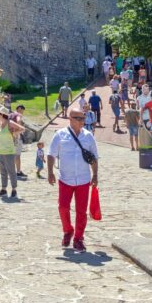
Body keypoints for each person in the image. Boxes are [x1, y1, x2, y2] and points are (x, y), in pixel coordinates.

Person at [47, 105, 99, 252]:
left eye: (83, 118)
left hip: (83, 179)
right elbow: (51, 154)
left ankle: (78, 238)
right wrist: (50, 172)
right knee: (63, 207)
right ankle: (68, 230)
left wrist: (95, 175)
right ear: (70, 119)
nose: (82, 121)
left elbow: (94, 158)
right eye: (79, 118)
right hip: (66, 179)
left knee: (81, 211)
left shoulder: (88, 136)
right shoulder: (60, 135)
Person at [0, 107, 24, 198]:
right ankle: (4, 189)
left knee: (11, 171)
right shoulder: (0, 124)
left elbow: (22, 128)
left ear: (2, 114)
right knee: (3, 171)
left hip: (9, 151)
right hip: (1, 151)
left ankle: (14, 190)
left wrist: (15, 133)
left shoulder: (9, 123)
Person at [11, 104, 29, 179]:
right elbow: (18, 121)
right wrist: (19, 129)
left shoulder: (10, 115)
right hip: (16, 137)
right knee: (17, 155)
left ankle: (13, 170)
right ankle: (18, 171)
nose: (22, 113)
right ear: (19, 109)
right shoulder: (18, 115)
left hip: (10, 137)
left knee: (12, 155)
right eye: (22, 111)